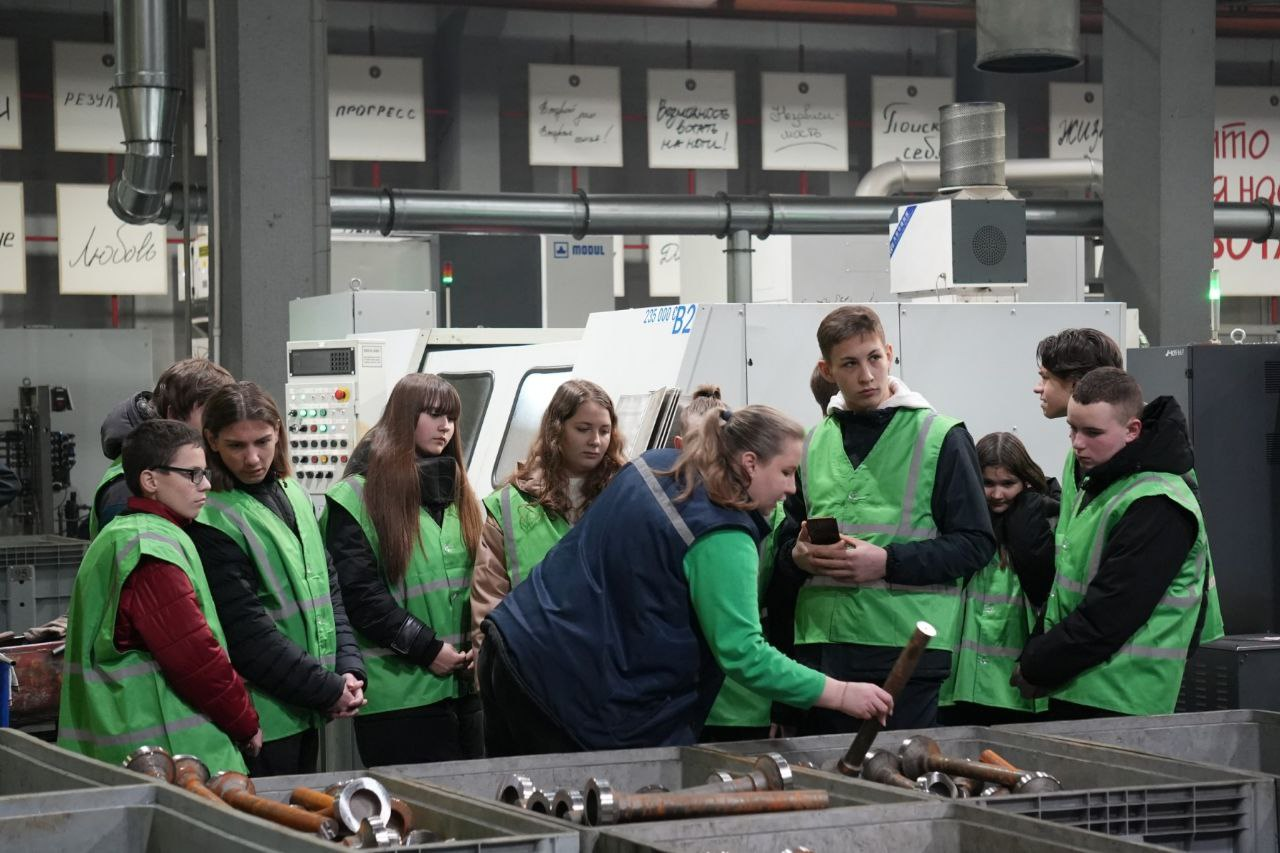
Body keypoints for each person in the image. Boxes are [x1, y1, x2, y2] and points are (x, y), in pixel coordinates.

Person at [479, 404, 893, 756]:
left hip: (512, 646)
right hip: (565, 696)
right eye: (786, 472)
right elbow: (743, 653)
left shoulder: (655, 465)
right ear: (750, 463)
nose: (790, 488)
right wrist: (841, 694)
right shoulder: (722, 532)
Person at [771, 305, 995, 732]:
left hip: (905, 650)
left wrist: (887, 562)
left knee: (896, 768)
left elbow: (976, 544)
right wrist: (796, 558)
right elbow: (786, 541)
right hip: (820, 650)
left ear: (889, 354)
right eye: (849, 364)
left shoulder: (942, 436)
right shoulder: (813, 442)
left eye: (874, 358)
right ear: (827, 370)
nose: (867, 375)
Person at [1013, 368, 1224, 718]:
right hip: (1081, 682)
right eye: (1072, 429)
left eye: (1093, 432)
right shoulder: (1103, 482)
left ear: (1132, 430)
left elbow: (1111, 613)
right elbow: (1068, 590)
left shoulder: (1157, 502)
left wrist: (1038, 662)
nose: (1078, 443)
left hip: (1122, 696)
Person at [58, 420, 262, 772]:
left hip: (129, 741)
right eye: (193, 474)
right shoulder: (151, 549)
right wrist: (244, 720)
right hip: (171, 755)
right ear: (150, 481)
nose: (206, 484)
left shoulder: (127, 533)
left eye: (205, 473)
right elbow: (194, 657)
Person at [189, 381, 365, 776]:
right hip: (264, 717)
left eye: (262, 442)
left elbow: (328, 589)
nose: (253, 458)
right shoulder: (211, 518)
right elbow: (246, 634)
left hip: (308, 704)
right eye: (236, 446)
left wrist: (348, 667)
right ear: (212, 441)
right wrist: (327, 688)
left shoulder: (294, 493)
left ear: (278, 433)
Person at [325, 374, 491, 765]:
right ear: (403, 418)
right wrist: (428, 649)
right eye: (433, 414)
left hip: (464, 688)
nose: (445, 426)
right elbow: (359, 596)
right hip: (400, 697)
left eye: (451, 417)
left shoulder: (461, 495)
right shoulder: (356, 498)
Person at [469, 379, 626, 648]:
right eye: (583, 429)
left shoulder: (621, 498)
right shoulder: (509, 504)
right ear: (557, 429)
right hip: (526, 658)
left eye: (605, 431)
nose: (596, 441)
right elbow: (488, 599)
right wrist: (489, 664)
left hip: (598, 660)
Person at [940, 432, 1057, 726]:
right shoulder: (958, 523)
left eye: (1007, 483)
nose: (996, 494)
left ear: (1025, 481)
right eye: (987, 483)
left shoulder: (1046, 520)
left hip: (1016, 681)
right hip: (961, 678)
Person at [92, 358, 235, 538]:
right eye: (211, 415)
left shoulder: (184, 462)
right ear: (174, 415)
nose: (223, 426)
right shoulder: (126, 487)